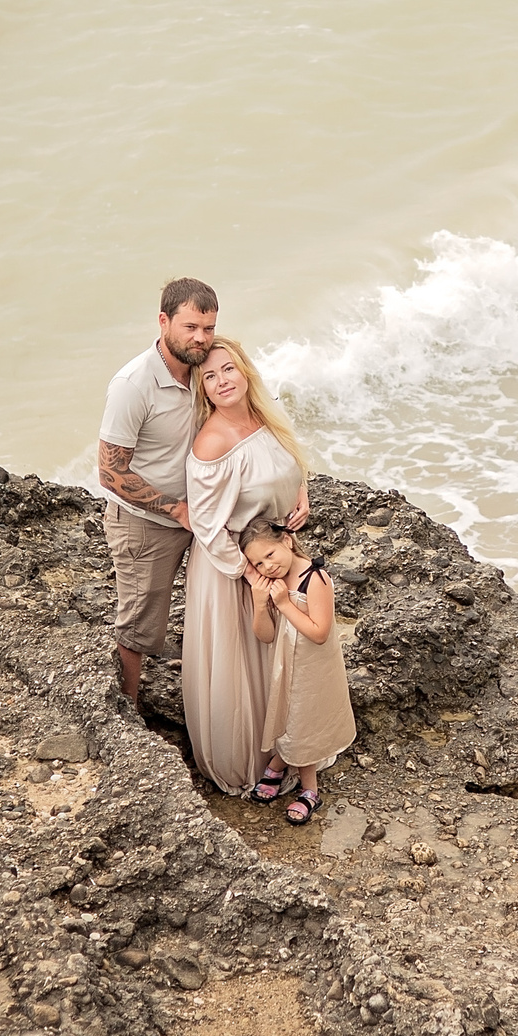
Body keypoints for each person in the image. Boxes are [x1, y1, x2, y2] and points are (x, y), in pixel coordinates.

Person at [180, 336, 309, 795]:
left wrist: (300, 493)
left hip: (272, 554)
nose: (221, 382)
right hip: (232, 569)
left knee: (284, 659)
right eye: (209, 377)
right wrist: (251, 574)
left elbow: (288, 461)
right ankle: (249, 766)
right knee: (244, 669)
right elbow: (208, 528)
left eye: (227, 370)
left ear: (245, 370)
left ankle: (291, 749)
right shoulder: (212, 444)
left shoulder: (265, 414)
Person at [97, 279, 221, 700]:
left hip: (202, 512)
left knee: (220, 609)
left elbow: (252, 416)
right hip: (146, 523)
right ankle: (127, 714)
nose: (200, 338)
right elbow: (110, 473)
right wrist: (176, 510)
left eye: (208, 328)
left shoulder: (208, 367)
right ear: (164, 321)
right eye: (190, 327)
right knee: (141, 625)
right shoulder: (133, 385)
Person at [241, 520, 355, 825]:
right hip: (284, 664)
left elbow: (319, 633)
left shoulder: (315, 579)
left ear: (288, 541)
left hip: (313, 666)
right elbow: (265, 635)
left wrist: (283, 603)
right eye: (258, 562)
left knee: (304, 722)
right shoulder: (269, 583)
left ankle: (310, 790)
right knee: (288, 717)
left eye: (270, 554)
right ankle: (279, 761)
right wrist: (260, 603)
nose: (267, 565)